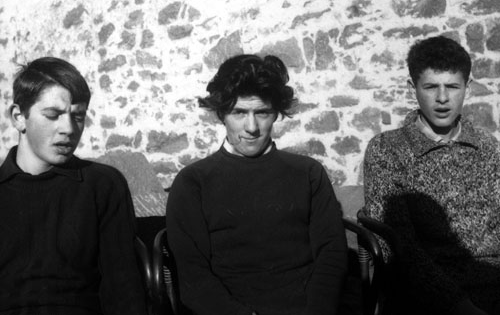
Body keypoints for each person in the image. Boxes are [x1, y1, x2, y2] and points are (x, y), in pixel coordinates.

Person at [166, 54, 348, 315]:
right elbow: (193, 277)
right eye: (239, 112)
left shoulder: (308, 173)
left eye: (262, 112)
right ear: (222, 114)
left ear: (276, 114)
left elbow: (332, 256)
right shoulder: (193, 182)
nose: (251, 127)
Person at [0, 57, 148, 315]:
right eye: (52, 115)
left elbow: (123, 290)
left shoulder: (102, 185)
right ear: (19, 117)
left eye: (78, 116)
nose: (68, 129)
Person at [363, 35, 500, 315]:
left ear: (467, 87)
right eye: (430, 87)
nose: (442, 98)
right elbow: (398, 249)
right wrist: (461, 307)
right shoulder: (387, 149)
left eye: (452, 86)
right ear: (412, 87)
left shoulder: (487, 146)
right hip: (426, 298)